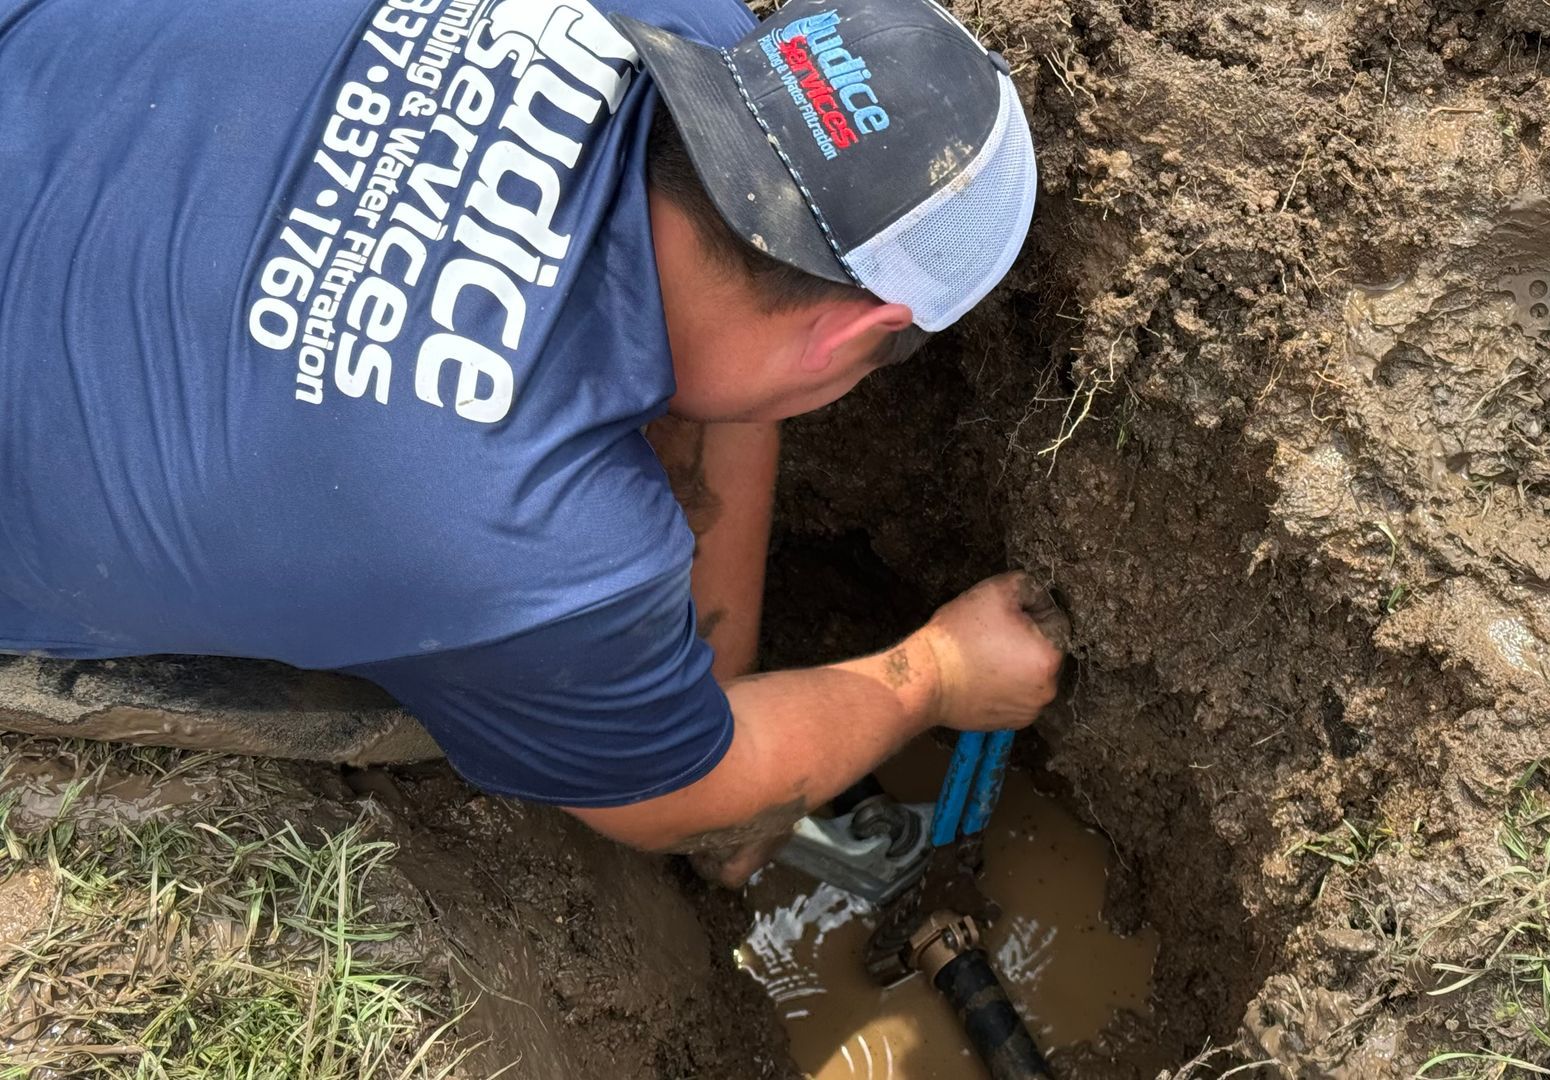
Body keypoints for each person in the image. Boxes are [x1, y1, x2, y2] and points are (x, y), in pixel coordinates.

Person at [0, 0, 1065, 883]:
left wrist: (703, 671)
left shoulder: (668, 22)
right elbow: (669, 805)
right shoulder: (532, 550)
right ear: (862, 331)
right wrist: (935, 674)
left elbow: (740, 340)